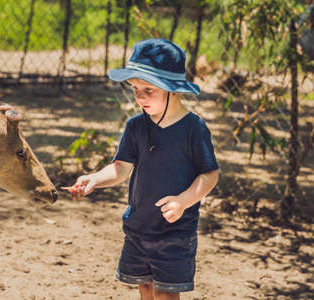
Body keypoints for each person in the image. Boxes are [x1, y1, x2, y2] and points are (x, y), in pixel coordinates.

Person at [72, 38, 219, 300]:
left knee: (165, 295)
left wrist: (184, 201)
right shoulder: (135, 127)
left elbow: (209, 174)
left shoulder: (194, 129)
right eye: (134, 88)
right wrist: (94, 179)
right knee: (146, 289)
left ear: (172, 89)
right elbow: (120, 168)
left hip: (176, 231)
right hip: (138, 227)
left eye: (148, 90)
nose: (139, 97)